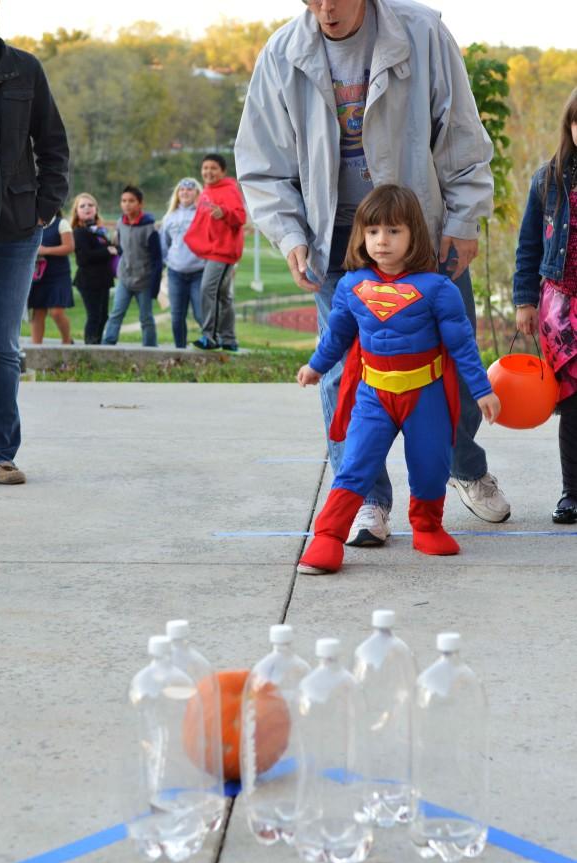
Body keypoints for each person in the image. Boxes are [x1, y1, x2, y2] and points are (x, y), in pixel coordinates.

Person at [235, 0, 510, 542]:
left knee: (448, 361)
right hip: (336, 238)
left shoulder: (422, 32)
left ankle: (464, 466)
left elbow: (460, 136)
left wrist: (464, 220)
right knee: (343, 372)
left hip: (423, 232)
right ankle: (366, 499)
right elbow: (262, 163)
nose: (326, 9)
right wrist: (290, 234)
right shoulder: (282, 53)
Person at [296, 185, 500, 575]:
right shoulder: (352, 286)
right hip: (374, 395)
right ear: (361, 235)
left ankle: (427, 525)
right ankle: (327, 537)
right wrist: (316, 366)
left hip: (426, 395)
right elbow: (336, 336)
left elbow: (462, 344)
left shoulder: (438, 289)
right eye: (372, 232)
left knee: (430, 466)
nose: (382, 241)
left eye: (393, 231)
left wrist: (483, 389)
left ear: (413, 236)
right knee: (356, 464)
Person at [0, 0, 68, 486]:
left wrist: (46, 206)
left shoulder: (24, 69)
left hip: (15, 226)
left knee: (2, 345)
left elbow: (53, 143)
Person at [513, 88, 577, 525]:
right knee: (574, 402)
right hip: (563, 307)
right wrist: (523, 301)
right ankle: (571, 491)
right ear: (570, 126)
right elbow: (529, 246)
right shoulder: (548, 180)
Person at [184, 154, 246, 352]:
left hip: (223, 252)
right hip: (214, 251)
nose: (208, 172)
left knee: (207, 290)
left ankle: (210, 336)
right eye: (205, 168)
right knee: (224, 296)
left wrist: (225, 213)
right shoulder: (208, 191)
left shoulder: (229, 190)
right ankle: (229, 339)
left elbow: (241, 217)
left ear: (223, 171)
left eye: (213, 168)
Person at [102, 185, 162, 348]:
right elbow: (122, 247)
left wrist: (155, 287)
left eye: (131, 201)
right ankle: (107, 345)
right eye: (123, 201)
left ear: (140, 204)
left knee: (146, 318)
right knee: (116, 314)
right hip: (125, 279)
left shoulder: (150, 228)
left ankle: (150, 348)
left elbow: (157, 259)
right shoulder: (120, 223)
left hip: (144, 281)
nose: (127, 204)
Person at [160, 177, 205, 348]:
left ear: (196, 193)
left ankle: (209, 343)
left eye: (190, 189)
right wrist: (169, 262)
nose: (185, 193)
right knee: (177, 315)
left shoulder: (202, 214)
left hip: (198, 272)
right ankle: (180, 349)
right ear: (177, 194)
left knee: (201, 314)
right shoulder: (169, 217)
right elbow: (164, 245)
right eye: (182, 190)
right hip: (175, 273)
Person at [71, 192, 117, 344]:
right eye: (82, 206)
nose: (87, 208)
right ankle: (89, 348)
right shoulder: (79, 232)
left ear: (96, 209)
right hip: (88, 281)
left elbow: (110, 250)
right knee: (94, 316)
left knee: (103, 316)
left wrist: (115, 248)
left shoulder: (100, 231)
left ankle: (97, 346)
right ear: (76, 211)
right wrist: (107, 251)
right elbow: (83, 258)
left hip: (103, 279)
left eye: (90, 205)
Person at [27, 211, 74, 344]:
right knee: (38, 313)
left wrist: (45, 250)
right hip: (37, 276)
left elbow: (69, 247)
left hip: (59, 276)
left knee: (56, 312)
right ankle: (36, 350)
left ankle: (67, 342)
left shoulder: (61, 224)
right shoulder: (29, 224)